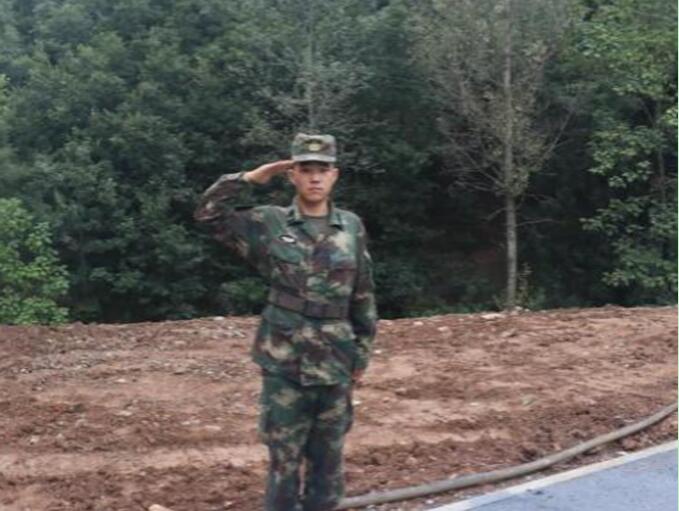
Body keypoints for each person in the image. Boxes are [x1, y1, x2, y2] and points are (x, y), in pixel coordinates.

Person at [193, 133, 378, 511]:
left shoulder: (351, 228)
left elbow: (363, 295)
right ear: (292, 175)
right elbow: (208, 215)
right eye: (305, 170)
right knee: (284, 464)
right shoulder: (269, 222)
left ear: (334, 175)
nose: (315, 178)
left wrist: (361, 355)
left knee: (328, 465)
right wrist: (249, 178)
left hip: (336, 363)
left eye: (322, 170)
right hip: (284, 364)